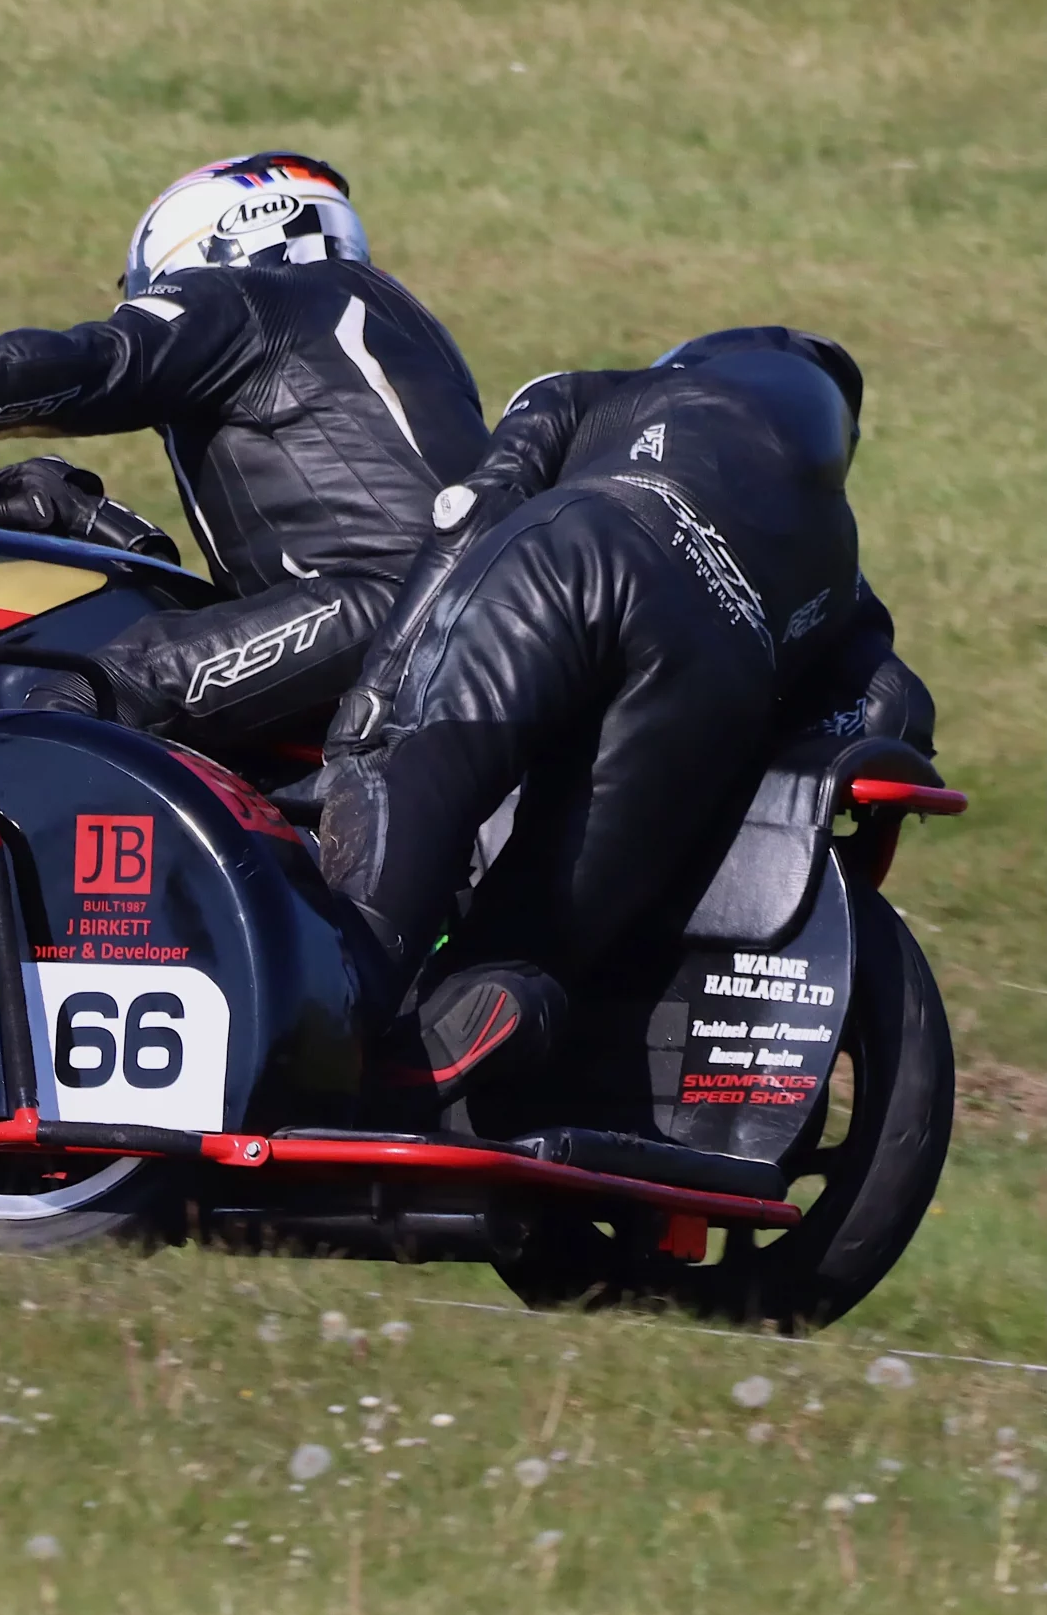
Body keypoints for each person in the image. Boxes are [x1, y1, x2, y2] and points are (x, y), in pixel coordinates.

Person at [315, 326, 934, 1109]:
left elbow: (471, 510)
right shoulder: (844, 570)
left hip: (587, 547)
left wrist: (374, 703)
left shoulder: (614, 391)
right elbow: (893, 708)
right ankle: (470, 1022)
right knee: (537, 942)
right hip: (713, 677)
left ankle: (316, 1039)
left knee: (402, 777)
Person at [0, 153, 489, 749]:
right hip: (448, 604)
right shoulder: (386, 323)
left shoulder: (251, 298)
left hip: (383, 603)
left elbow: (61, 367)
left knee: (53, 704)